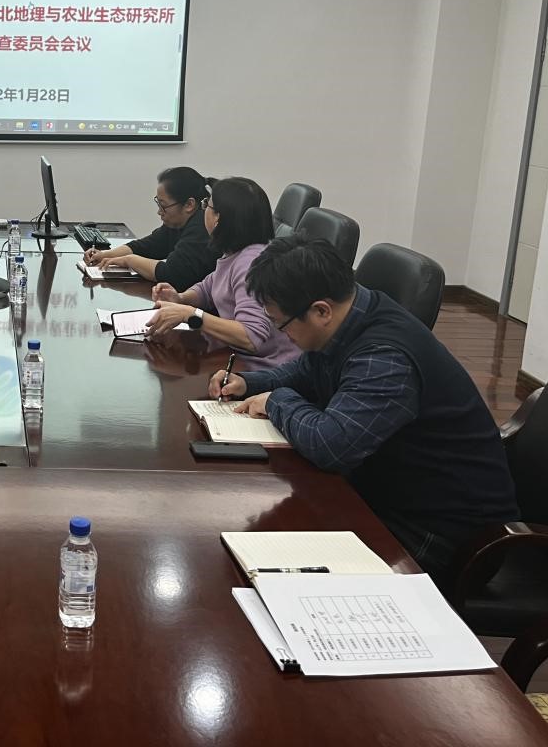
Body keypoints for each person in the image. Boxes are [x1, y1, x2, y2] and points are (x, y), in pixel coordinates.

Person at [209, 235, 518, 580]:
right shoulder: (353, 314)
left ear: (321, 311)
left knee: (267, 562)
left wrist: (276, 400)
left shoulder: (385, 357)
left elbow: (331, 446)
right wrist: (250, 383)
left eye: (282, 325)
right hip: (387, 492)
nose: (282, 334)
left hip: (444, 534)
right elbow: (307, 370)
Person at [143, 177, 298, 370]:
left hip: (265, 369)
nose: (203, 210)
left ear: (218, 218)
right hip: (235, 357)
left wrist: (191, 315)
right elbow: (209, 287)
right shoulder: (235, 252)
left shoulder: (250, 263)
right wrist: (181, 298)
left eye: (206, 205)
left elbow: (251, 337)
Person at [82, 166, 216, 289]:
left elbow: (171, 274)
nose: (159, 212)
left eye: (163, 205)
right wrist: (105, 255)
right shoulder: (178, 223)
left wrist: (129, 260)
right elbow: (146, 246)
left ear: (189, 205)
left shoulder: (202, 227)